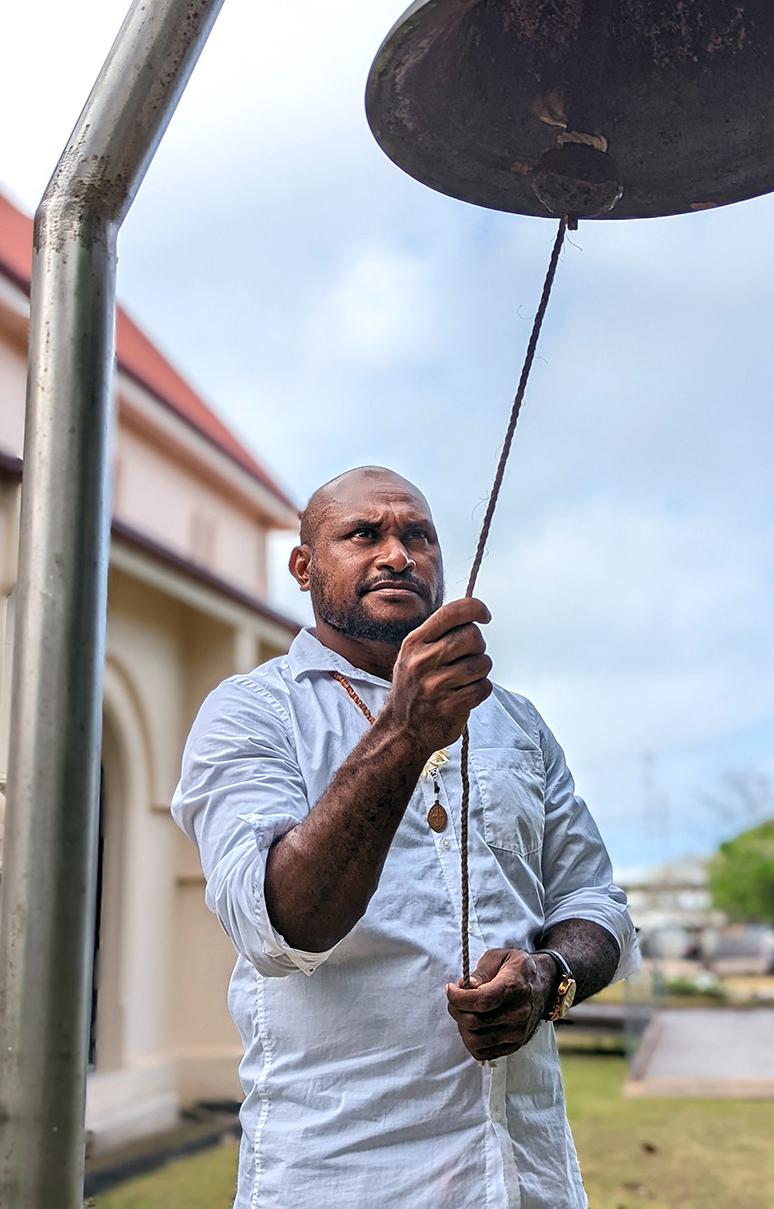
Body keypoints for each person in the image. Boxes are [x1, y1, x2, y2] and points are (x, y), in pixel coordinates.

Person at [173, 466, 637, 1208]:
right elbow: (278, 926)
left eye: (417, 535)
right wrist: (405, 731)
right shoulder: (252, 712)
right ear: (303, 566)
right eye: (363, 534)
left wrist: (549, 977)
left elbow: (595, 900)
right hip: (341, 1175)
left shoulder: (516, 722)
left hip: (526, 1176)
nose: (397, 555)